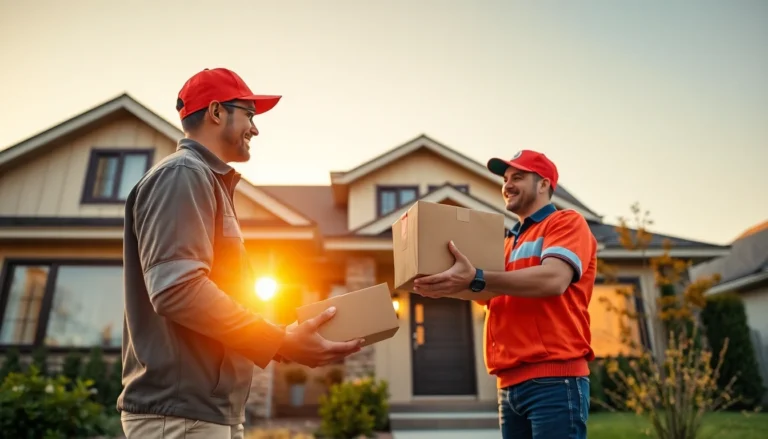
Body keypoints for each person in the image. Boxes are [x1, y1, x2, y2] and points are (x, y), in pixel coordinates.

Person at [118, 68, 363, 439]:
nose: (255, 128)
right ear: (217, 112)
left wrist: (281, 339)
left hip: (209, 413)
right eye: (249, 114)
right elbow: (176, 290)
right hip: (183, 415)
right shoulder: (182, 174)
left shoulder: (205, 182)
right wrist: (279, 340)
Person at [412, 150, 597, 439]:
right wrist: (446, 287)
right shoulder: (507, 243)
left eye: (518, 177)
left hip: (554, 379)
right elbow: (488, 292)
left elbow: (554, 279)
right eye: (506, 179)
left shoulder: (565, 223)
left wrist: (477, 277)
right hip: (509, 386)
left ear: (544, 184)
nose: (507, 185)